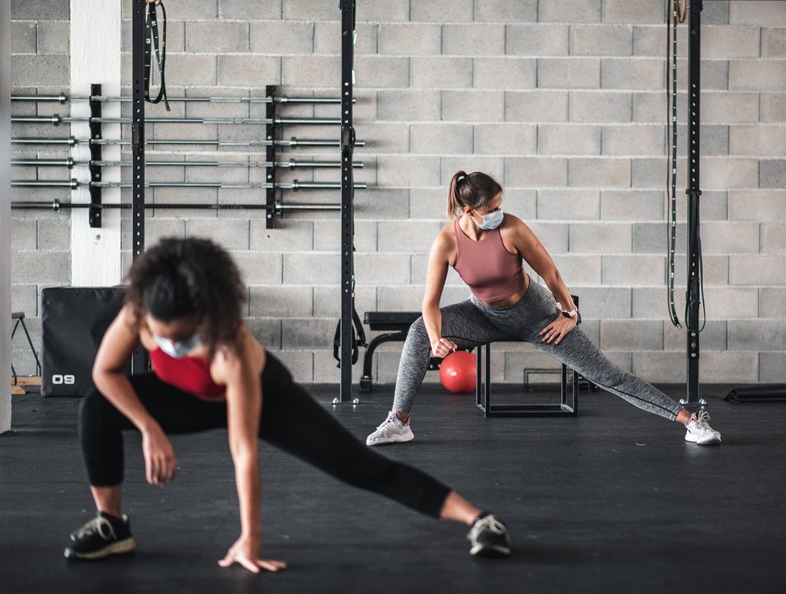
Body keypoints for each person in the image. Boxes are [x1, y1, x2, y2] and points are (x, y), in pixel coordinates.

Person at [65, 237, 511, 569]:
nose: (167, 343)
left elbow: (243, 454)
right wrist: (149, 428)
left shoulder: (228, 350)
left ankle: (480, 519)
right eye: (160, 336)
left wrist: (250, 540)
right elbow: (106, 373)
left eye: (179, 337)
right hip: (187, 397)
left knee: (359, 466)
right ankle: (112, 524)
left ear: (205, 318)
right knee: (96, 410)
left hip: (267, 397)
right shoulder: (137, 313)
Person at [367, 171, 722, 447]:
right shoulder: (446, 241)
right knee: (417, 330)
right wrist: (435, 339)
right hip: (482, 316)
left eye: (500, 206)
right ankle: (399, 422)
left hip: (537, 317)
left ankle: (691, 421)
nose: (498, 214)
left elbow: (549, 272)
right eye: (491, 210)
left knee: (605, 374)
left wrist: (570, 314)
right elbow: (429, 303)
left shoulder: (512, 228)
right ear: (469, 211)